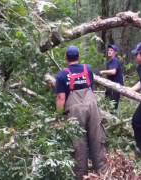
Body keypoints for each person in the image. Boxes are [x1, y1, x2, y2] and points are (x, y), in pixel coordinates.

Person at [55, 46, 107, 179]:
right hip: (92, 106)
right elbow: (91, 88)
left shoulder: (62, 74)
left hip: (75, 110)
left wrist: (59, 117)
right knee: (96, 138)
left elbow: (61, 98)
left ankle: (80, 175)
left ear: (66, 58)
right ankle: (103, 173)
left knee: (78, 143)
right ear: (78, 57)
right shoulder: (87, 69)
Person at [100, 44, 124, 110]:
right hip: (110, 87)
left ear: (115, 53)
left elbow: (113, 72)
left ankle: (113, 119)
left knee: (112, 108)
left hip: (116, 87)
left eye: (111, 50)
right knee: (107, 104)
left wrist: (103, 72)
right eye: (108, 50)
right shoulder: (109, 62)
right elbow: (109, 74)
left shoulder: (115, 61)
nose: (109, 51)